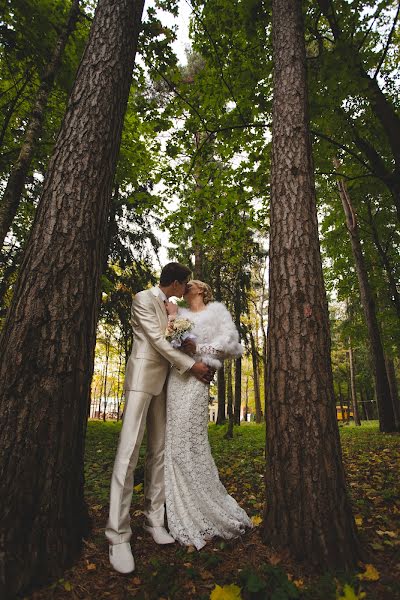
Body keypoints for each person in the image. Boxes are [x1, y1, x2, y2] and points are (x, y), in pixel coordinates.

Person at [105, 264, 213, 574]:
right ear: (176, 283)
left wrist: (192, 346)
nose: (186, 287)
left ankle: (154, 519)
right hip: (141, 380)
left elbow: (175, 337)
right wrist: (191, 366)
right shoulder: (142, 298)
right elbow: (156, 340)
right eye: (184, 283)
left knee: (159, 452)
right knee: (128, 454)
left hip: (166, 384)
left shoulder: (172, 305)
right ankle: (118, 535)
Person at [164, 280, 253, 550]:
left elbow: (234, 347)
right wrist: (172, 321)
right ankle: (180, 509)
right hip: (176, 379)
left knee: (190, 442)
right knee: (174, 442)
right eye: (185, 284)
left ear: (202, 290)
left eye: (191, 284)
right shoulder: (177, 312)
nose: (186, 286)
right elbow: (167, 345)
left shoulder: (216, 313)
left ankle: (207, 507)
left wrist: (201, 351)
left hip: (197, 382)